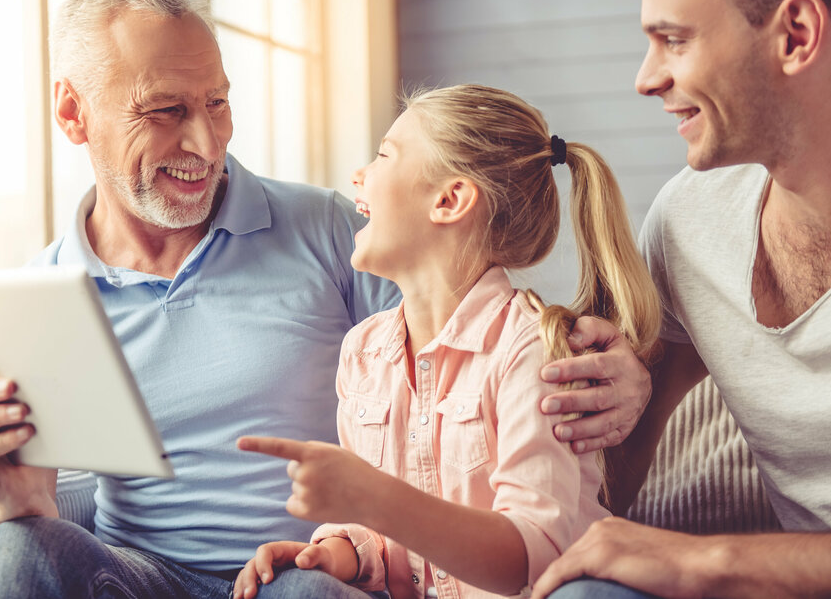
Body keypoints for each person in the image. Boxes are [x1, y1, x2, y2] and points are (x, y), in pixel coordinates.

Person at [0, 0, 643, 598]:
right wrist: (5, 502)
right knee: (15, 550)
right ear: (72, 113)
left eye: (216, 102)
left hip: (301, 572)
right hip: (136, 573)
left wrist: (620, 369)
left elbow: (468, 344)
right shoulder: (43, 297)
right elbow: (21, 522)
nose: (207, 144)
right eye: (167, 110)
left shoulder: (333, 235)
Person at [532, 0, 831, 597]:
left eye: (674, 40)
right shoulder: (691, 222)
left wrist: (707, 561)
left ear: (796, 35)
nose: (646, 78)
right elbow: (610, 473)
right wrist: (623, 392)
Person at [232, 84, 662, 599]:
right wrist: (334, 554)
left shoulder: (531, 348)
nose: (358, 175)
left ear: (449, 199)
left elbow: (529, 559)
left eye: (383, 155)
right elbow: (382, 540)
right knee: (299, 588)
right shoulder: (363, 352)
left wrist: (375, 497)